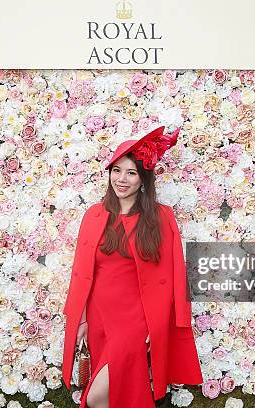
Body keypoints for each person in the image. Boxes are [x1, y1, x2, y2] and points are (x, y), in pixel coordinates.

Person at [61, 126, 204, 408]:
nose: (121, 179)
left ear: (143, 179)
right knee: (121, 393)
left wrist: (159, 322)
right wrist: (82, 319)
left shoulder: (160, 217)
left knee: (96, 397)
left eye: (131, 172)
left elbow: (173, 274)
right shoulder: (95, 214)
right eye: (116, 170)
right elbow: (83, 273)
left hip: (137, 318)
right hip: (100, 316)